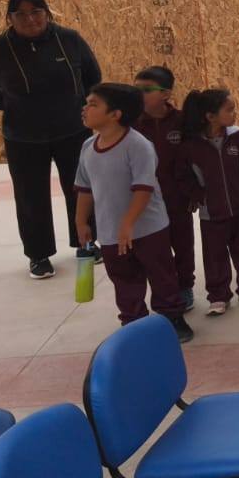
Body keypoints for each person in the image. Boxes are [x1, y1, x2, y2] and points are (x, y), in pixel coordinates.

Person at [0, 0, 101, 279]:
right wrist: (16, 107)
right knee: (31, 197)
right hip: (23, 137)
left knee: (81, 191)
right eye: (21, 14)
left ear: (47, 13)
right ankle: (38, 255)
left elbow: (93, 77)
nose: (30, 20)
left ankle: (87, 243)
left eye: (36, 12)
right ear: (10, 18)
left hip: (72, 130)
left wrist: (81, 106)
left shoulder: (69, 39)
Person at [73, 82, 193, 341]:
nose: (85, 108)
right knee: (124, 280)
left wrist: (128, 224)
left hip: (148, 228)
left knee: (161, 274)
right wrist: (81, 221)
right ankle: (134, 324)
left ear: (115, 115)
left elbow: (143, 188)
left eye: (93, 104)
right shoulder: (87, 148)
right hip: (110, 233)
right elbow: (84, 188)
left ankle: (172, 317)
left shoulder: (137, 145)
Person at [176, 88, 239, 315]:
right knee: (214, 257)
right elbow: (184, 176)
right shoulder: (191, 146)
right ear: (210, 116)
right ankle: (218, 296)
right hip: (211, 215)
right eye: (229, 109)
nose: (234, 113)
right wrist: (199, 196)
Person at [133, 65, 196, 312]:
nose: (139, 95)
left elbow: (195, 158)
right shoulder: (132, 125)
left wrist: (193, 191)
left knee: (182, 244)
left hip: (178, 198)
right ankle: (165, 290)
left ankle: (185, 286)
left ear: (166, 94)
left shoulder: (182, 121)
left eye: (146, 90)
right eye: (135, 89)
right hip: (146, 201)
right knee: (155, 250)